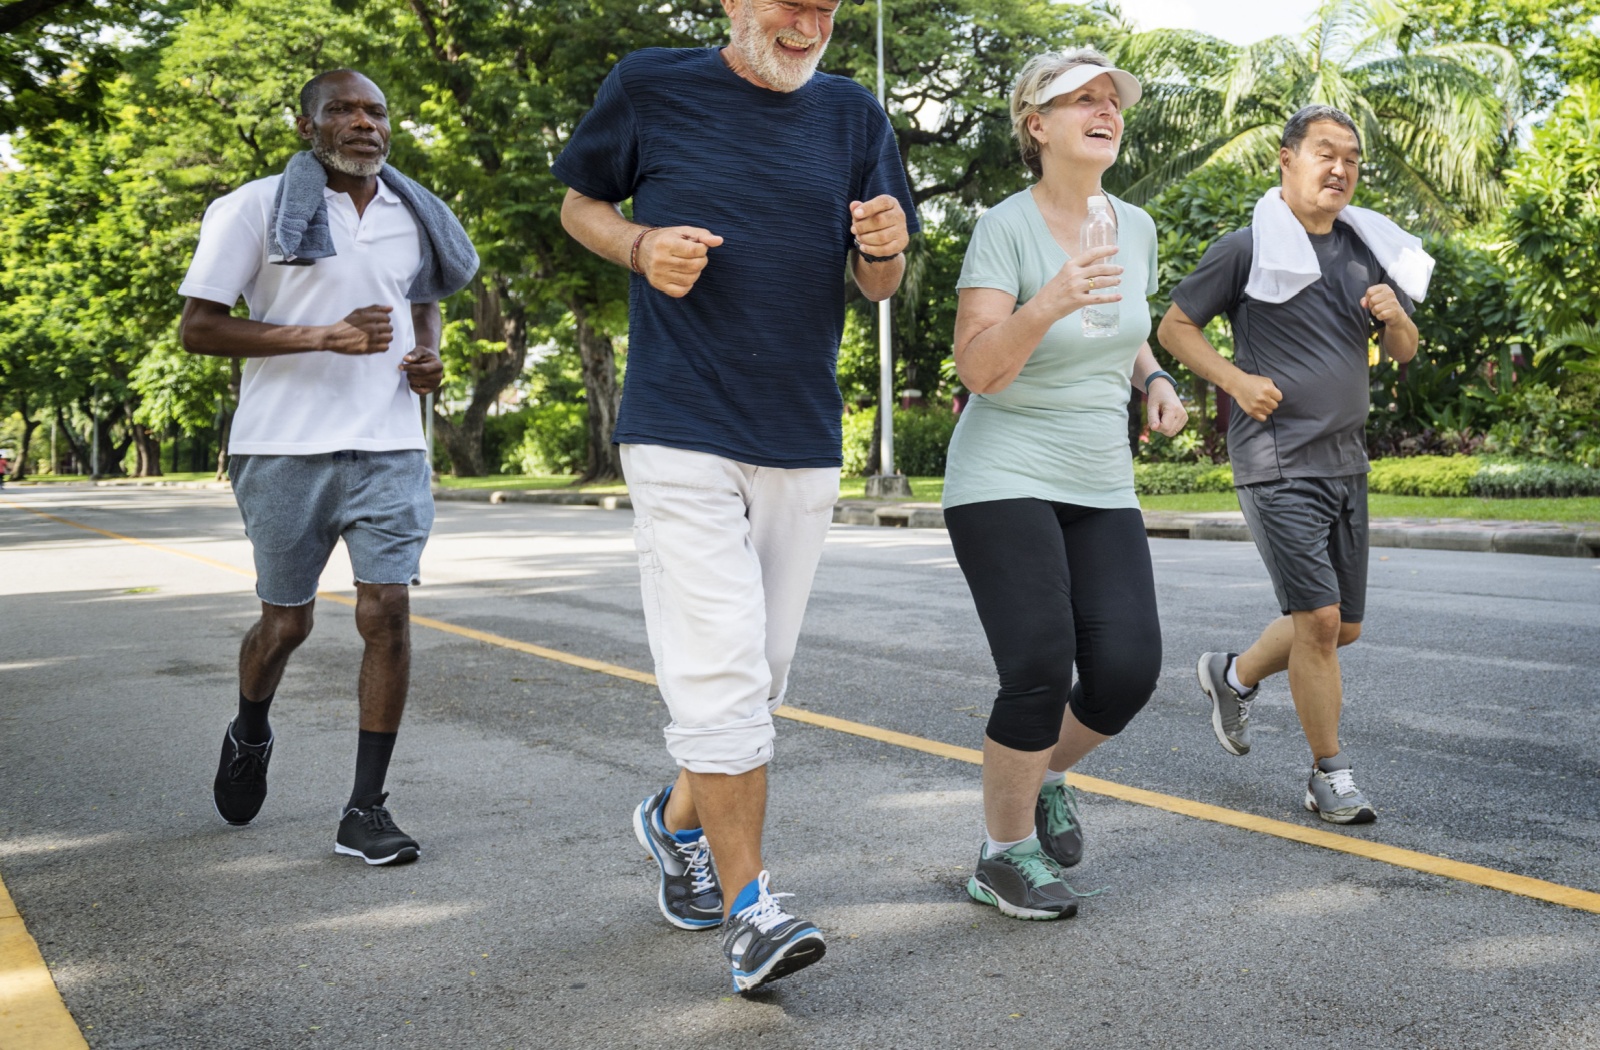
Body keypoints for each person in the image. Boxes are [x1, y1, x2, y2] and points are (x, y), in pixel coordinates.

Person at [552, 0, 917, 992]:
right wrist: (637, 247)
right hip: (679, 424)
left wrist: (883, 247)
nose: (806, 24)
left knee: (757, 678)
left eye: (824, 7)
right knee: (718, 671)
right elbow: (579, 203)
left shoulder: (853, 116)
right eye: (787, 4)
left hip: (799, 433)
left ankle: (671, 822)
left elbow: (878, 280)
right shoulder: (649, 84)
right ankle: (752, 909)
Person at [179, 69, 477, 864]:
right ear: (306, 125)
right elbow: (200, 330)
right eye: (342, 110)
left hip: (390, 444)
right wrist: (322, 336)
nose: (363, 123)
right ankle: (250, 729)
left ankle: (365, 809)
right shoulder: (250, 208)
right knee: (288, 622)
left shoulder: (412, 213)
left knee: (386, 612)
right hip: (282, 447)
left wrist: (429, 359)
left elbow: (421, 298)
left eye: (376, 110)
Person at [944, 49, 1187, 920]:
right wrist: (1043, 302)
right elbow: (980, 367)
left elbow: (1120, 332)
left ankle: (1040, 776)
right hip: (1001, 469)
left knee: (1125, 671)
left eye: (1111, 98)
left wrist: (1154, 380)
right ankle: (1001, 854)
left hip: (1098, 474)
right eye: (1078, 99)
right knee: (1040, 664)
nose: (1104, 109)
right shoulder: (1003, 227)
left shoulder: (1138, 224)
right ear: (1036, 126)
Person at [1159, 104, 1423, 825]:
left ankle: (1233, 675)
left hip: (1345, 461)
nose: (1340, 169)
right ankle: (1328, 775)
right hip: (1275, 460)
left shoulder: (1364, 250)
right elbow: (1174, 326)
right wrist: (1236, 382)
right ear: (1287, 159)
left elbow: (1404, 351)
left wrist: (1395, 315)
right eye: (1325, 154)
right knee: (1319, 621)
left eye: (1352, 159)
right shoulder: (1246, 248)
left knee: (1342, 629)